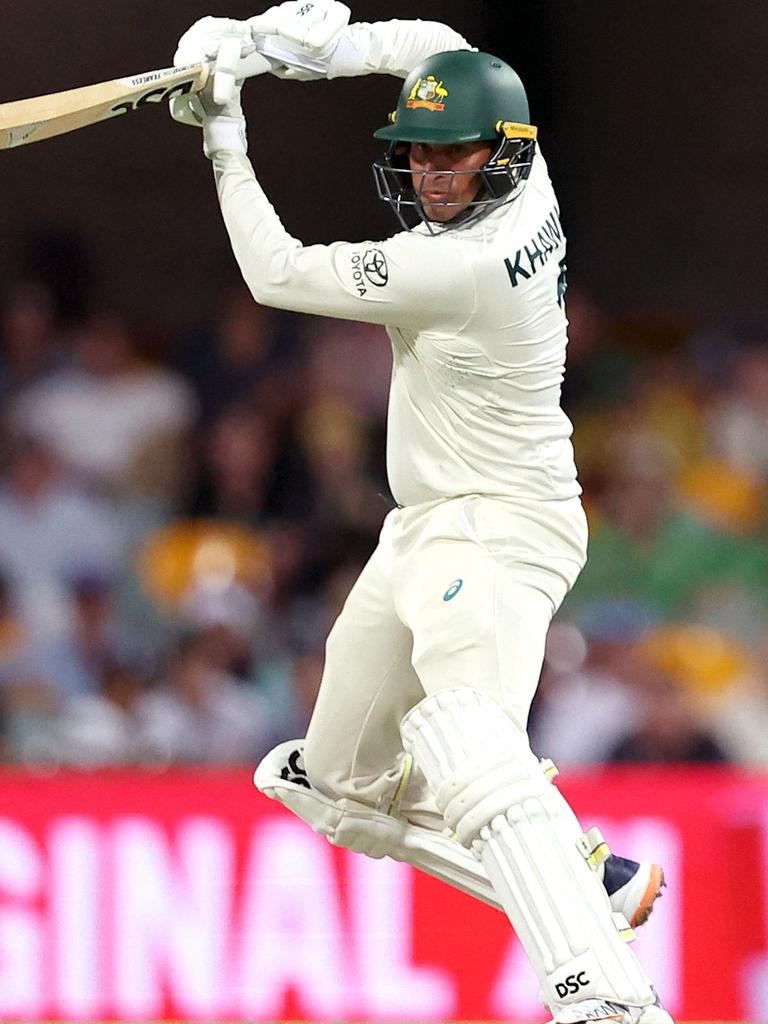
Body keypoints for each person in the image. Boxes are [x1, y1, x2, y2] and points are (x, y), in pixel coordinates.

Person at [172, 6, 671, 1022]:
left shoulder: (464, 266)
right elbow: (436, 39)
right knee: (327, 784)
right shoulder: (531, 183)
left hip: (500, 524)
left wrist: (226, 128)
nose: (434, 177)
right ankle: (593, 882)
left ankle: (602, 991)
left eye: (455, 156)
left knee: (463, 731)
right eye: (421, 155)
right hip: (427, 526)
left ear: (503, 155)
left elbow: (275, 274)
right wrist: (300, 48)